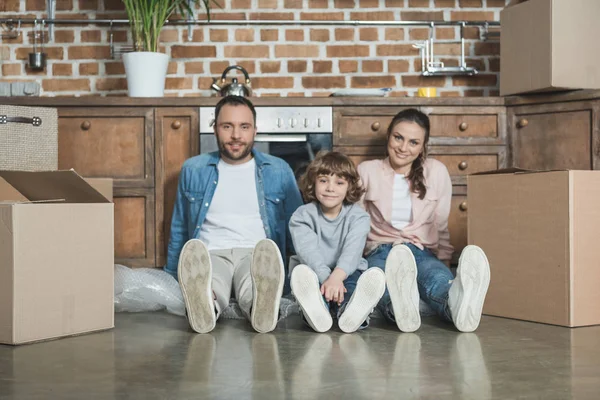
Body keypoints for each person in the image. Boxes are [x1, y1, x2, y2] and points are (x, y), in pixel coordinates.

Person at [164, 95, 303, 334]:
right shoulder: (193, 169)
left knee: (253, 285)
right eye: (227, 126)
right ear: (215, 128)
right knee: (211, 282)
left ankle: (260, 307)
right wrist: (170, 276)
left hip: (257, 252)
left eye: (244, 127)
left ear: (255, 130)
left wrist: (300, 272)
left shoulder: (278, 170)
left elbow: (297, 226)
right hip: (209, 252)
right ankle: (206, 305)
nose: (236, 135)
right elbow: (179, 226)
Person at [357, 108, 490, 333]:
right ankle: (399, 311)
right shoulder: (367, 170)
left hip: (420, 249)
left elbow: (440, 223)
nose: (403, 148)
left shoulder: (436, 171)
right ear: (389, 135)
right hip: (380, 250)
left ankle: (456, 306)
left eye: (413, 142)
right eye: (398, 138)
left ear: (422, 147)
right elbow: (356, 222)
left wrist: (446, 262)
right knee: (378, 283)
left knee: (436, 279)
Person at [289, 151, 386, 333]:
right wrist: (328, 279)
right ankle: (317, 314)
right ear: (313, 182)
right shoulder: (302, 216)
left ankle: (351, 313)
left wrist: (337, 277)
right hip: (316, 272)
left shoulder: (359, 217)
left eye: (339, 183)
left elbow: (353, 252)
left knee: (351, 288)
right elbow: (309, 253)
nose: (330, 188)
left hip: (348, 272)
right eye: (323, 180)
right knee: (314, 289)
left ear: (349, 186)